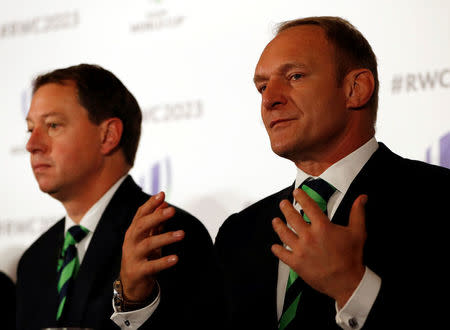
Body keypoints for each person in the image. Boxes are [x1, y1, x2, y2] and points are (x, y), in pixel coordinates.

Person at [215, 16, 450, 330]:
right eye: (262, 87)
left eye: (295, 76)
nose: (270, 99)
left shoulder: (439, 199)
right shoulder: (239, 233)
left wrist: (353, 287)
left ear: (356, 89)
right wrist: (135, 303)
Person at [17, 64, 222, 329]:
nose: (32, 145)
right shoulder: (34, 260)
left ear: (108, 136)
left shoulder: (165, 235)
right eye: (30, 129)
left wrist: (135, 302)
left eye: (53, 125)